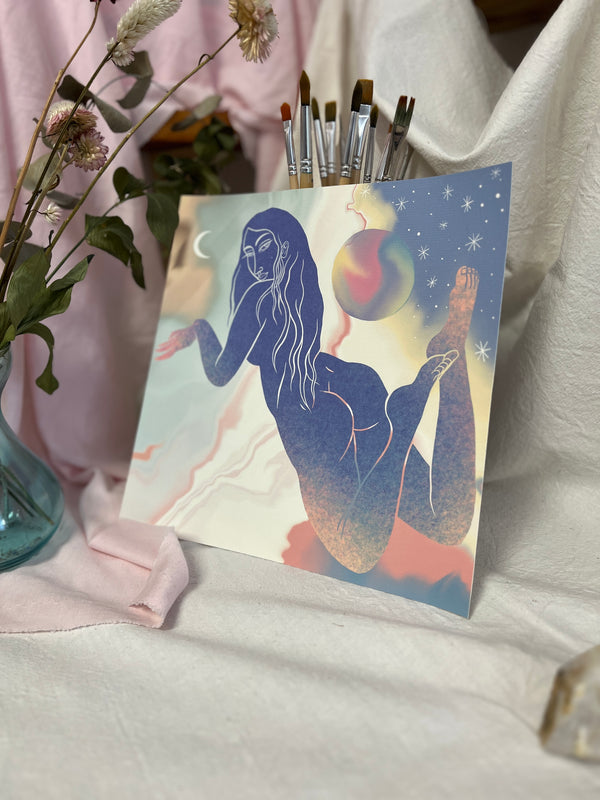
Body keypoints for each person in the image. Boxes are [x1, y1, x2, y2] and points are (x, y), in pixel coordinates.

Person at [157, 208, 478, 573]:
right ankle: (451, 354)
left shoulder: (260, 298)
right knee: (448, 524)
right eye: (249, 253)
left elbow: (221, 372)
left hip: (318, 422)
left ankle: (402, 423)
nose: (255, 261)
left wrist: (199, 331)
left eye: (263, 247)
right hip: (339, 394)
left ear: (284, 247)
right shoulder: (293, 292)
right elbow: (273, 361)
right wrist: (198, 329)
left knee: (359, 554)